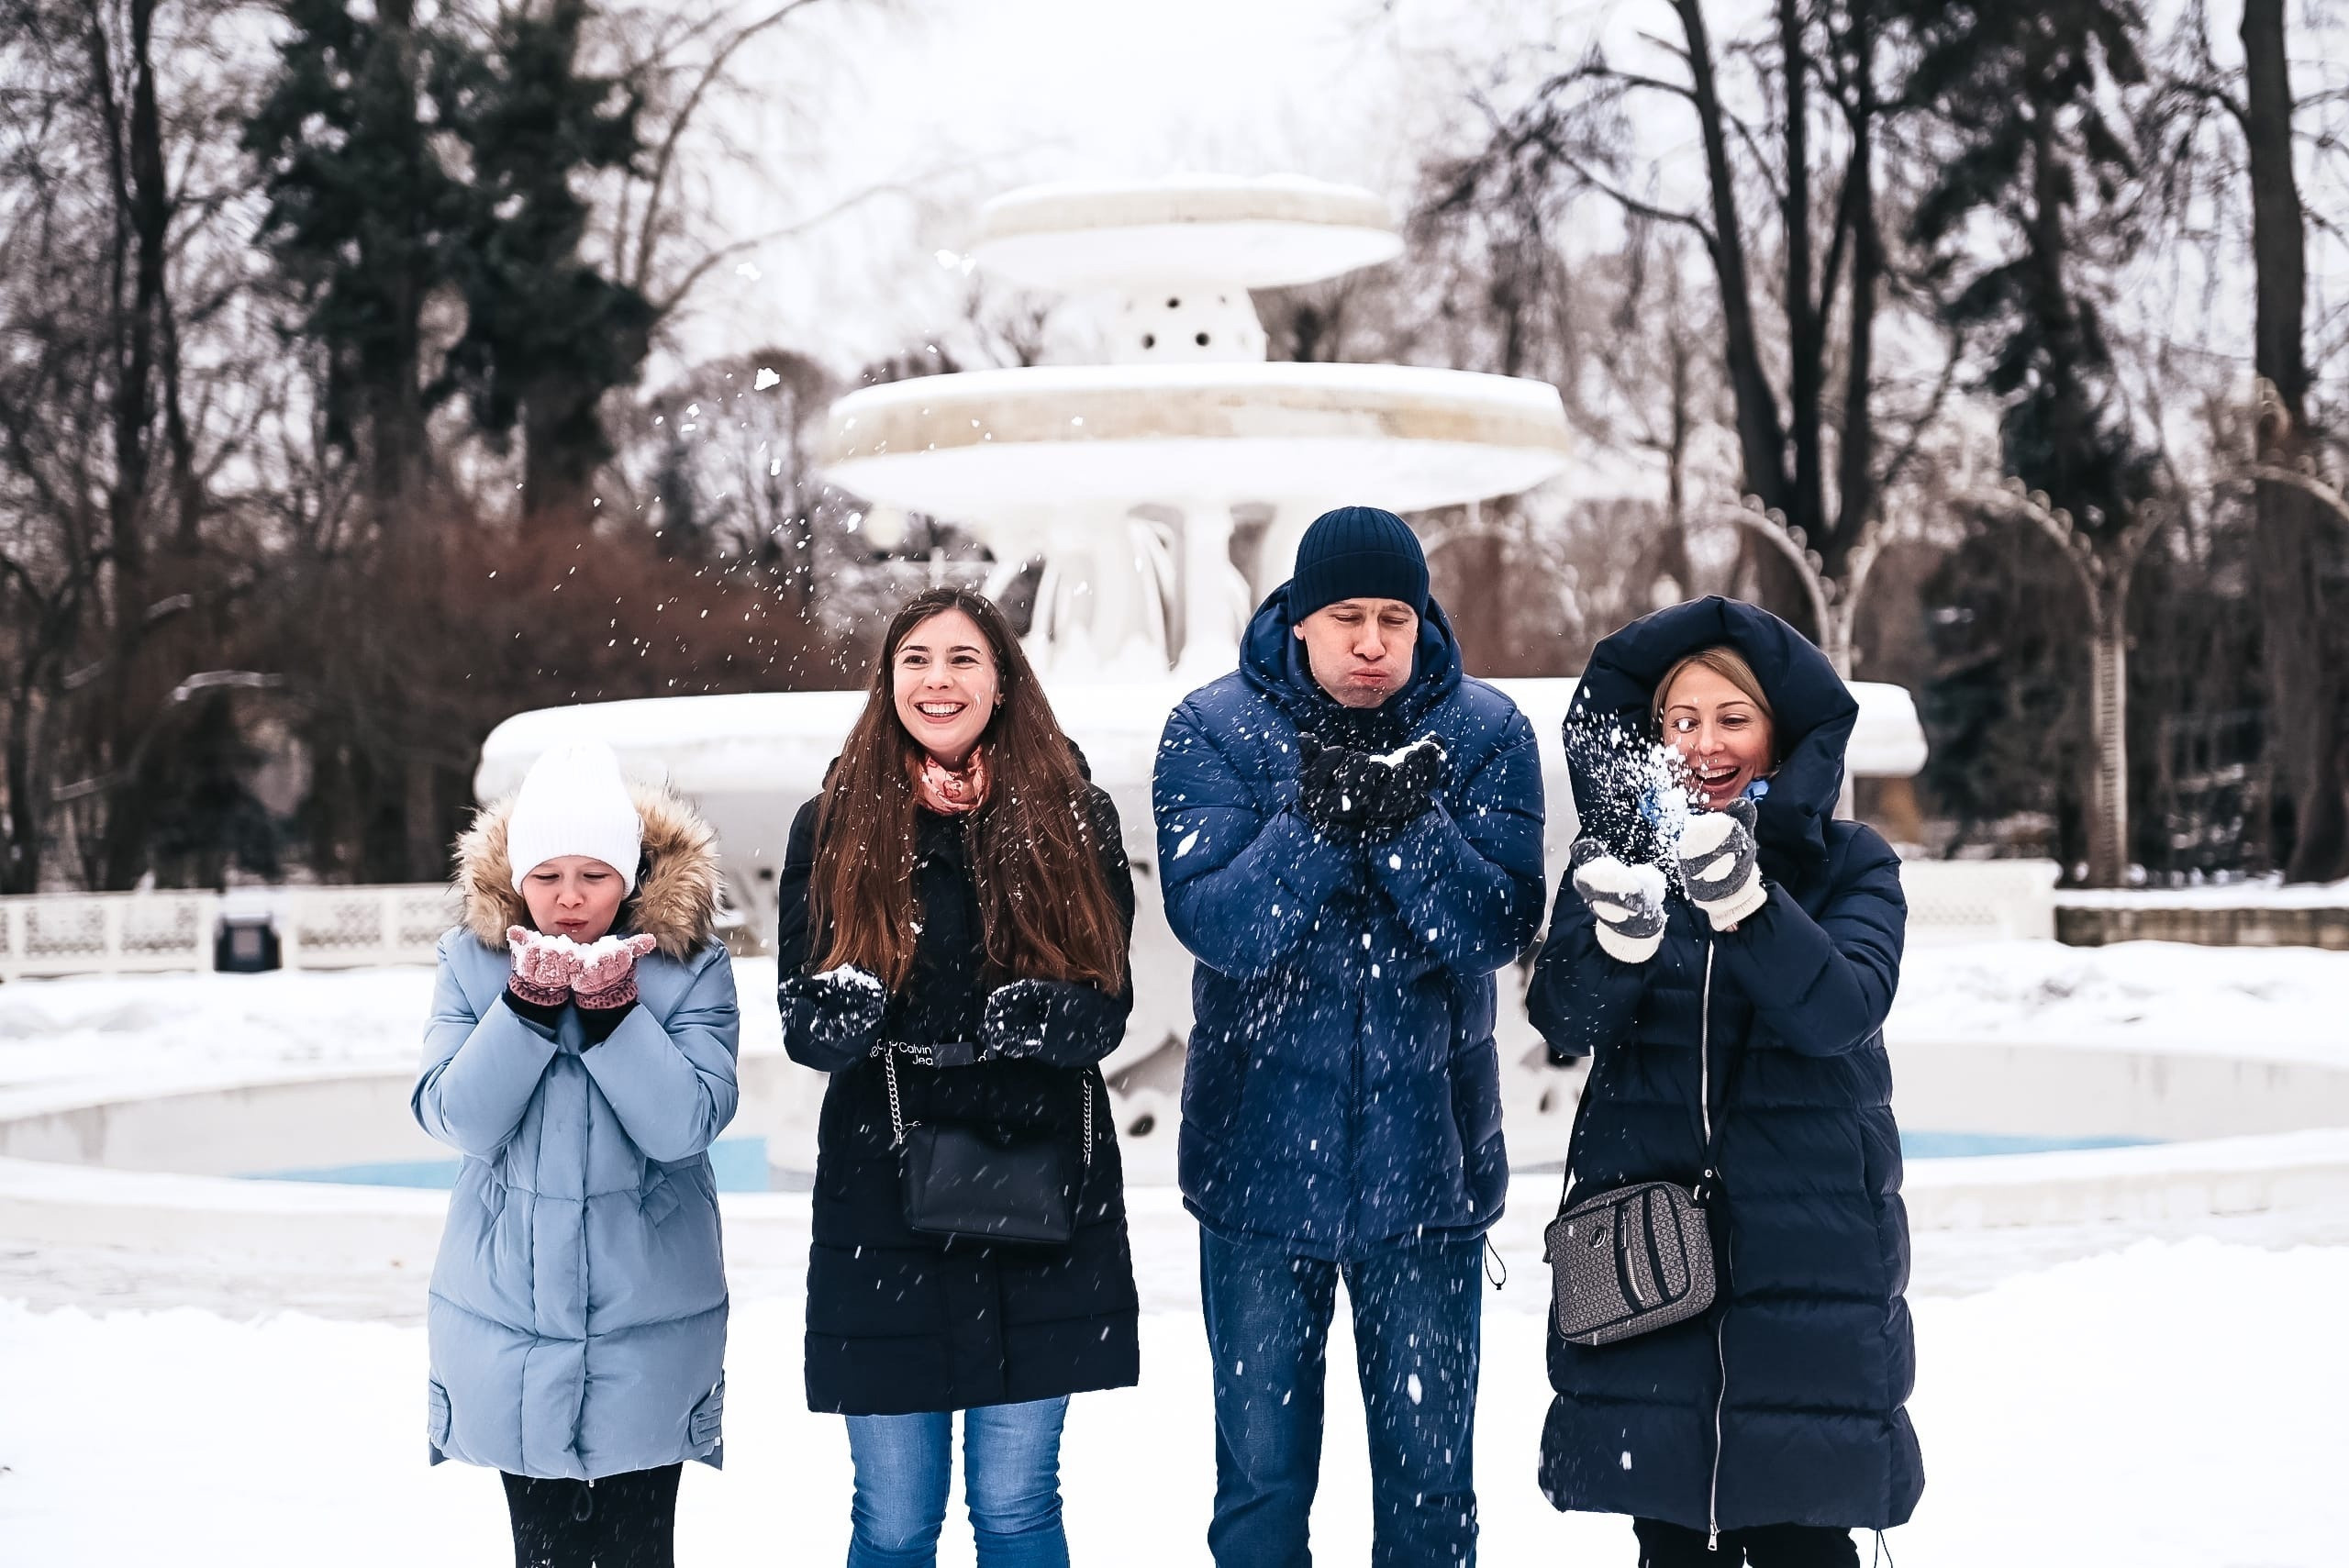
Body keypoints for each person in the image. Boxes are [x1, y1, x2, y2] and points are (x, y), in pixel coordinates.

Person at [1152, 505, 1547, 1568]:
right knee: (1261, 1489)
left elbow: (1499, 926)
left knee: (1430, 1492)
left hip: (1430, 1177)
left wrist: (1409, 824)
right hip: (1255, 1179)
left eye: (1394, 618)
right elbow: (1220, 926)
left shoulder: (1488, 733)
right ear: (1298, 619)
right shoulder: (1211, 727)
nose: (1371, 642)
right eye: (1346, 617)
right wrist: (1316, 823)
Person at [1527, 596, 1921, 1568]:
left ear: (1778, 734)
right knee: (1670, 1531)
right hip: (1649, 1249)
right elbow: (1563, 1020)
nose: (1704, 743)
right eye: (1680, 720)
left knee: (1803, 1529)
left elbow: (1840, 1010)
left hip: (1806, 1254)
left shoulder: (1851, 865)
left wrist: (1750, 902)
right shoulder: (1616, 858)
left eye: (1731, 718)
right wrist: (1615, 945)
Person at [775, 586, 1140, 1568]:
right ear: (888, 681)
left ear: (1003, 678)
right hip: (880, 1192)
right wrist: (837, 1016)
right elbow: (800, 1017)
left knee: (1017, 1502)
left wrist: (1048, 1017)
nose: (939, 679)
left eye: (963, 658)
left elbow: (1107, 1006)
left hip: (1038, 1181)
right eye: (917, 660)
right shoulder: (834, 821)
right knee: (894, 1513)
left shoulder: (1072, 813)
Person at [414, 739, 740, 1568]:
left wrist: (611, 1014)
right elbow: (457, 1115)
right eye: (547, 875)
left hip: (648, 1323)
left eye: (593, 875)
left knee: (640, 1551)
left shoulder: (688, 969)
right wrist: (523, 1009)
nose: (568, 900)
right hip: (513, 1324)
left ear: (629, 874)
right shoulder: (472, 965)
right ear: (516, 874)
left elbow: (687, 1124)